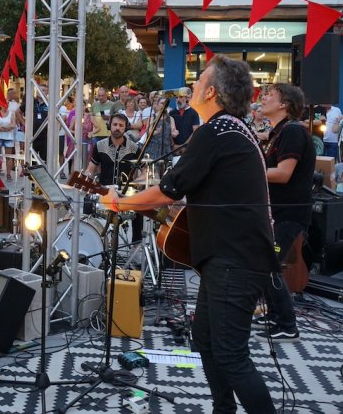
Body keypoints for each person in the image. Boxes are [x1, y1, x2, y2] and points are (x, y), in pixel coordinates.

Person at [99, 55, 277, 413]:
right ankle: (222, 408)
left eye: (199, 81)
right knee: (208, 343)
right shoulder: (231, 129)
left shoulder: (216, 132)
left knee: (231, 354)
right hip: (229, 257)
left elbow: (169, 189)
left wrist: (122, 203)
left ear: (210, 92)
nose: (193, 85)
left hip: (234, 260)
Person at [255, 83, 315, 344]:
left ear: (284, 104)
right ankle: (274, 312)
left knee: (268, 263)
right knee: (263, 262)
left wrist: (248, 172)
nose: (264, 97)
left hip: (289, 212)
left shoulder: (292, 131)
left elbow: (283, 173)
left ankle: (287, 325)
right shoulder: (278, 132)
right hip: (276, 211)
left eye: (270, 95)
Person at [86, 113, 143, 243]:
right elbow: (91, 169)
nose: (117, 128)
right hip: (104, 191)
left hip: (125, 193)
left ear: (126, 128)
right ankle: (94, 244)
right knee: (87, 202)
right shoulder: (99, 145)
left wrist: (138, 182)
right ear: (109, 126)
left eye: (121, 125)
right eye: (115, 124)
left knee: (140, 208)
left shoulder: (134, 148)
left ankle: (136, 245)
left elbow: (146, 171)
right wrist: (87, 179)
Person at [172, 87, 200, 152]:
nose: (178, 99)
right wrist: (173, 145)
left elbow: (195, 132)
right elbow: (168, 131)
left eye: (181, 97)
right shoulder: (172, 113)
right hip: (173, 149)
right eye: (177, 97)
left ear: (187, 98)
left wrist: (184, 145)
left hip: (188, 148)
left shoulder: (193, 113)